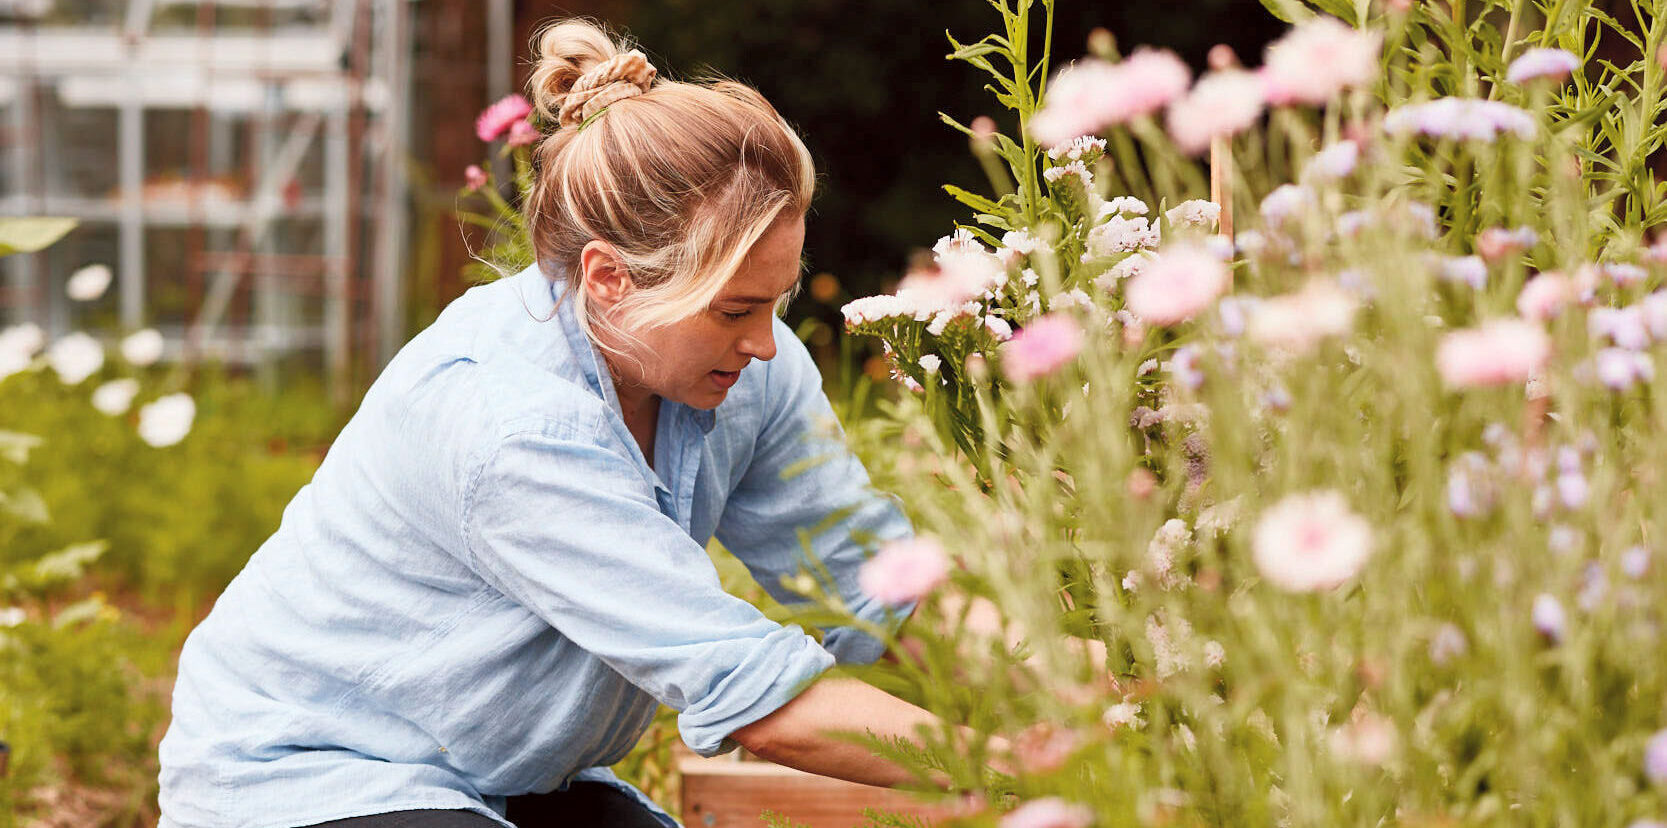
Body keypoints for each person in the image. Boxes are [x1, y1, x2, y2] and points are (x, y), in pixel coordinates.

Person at [157, 18, 971, 828]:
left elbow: (874, 583)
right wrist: (1009, 769)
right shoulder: (510, 423)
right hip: (306, 777)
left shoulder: (743, 369)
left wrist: (1066, 686)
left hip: (489, 776)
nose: (764, 343)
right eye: (733, 310)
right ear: (609, 278)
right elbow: (752, 694)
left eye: (777, 300)